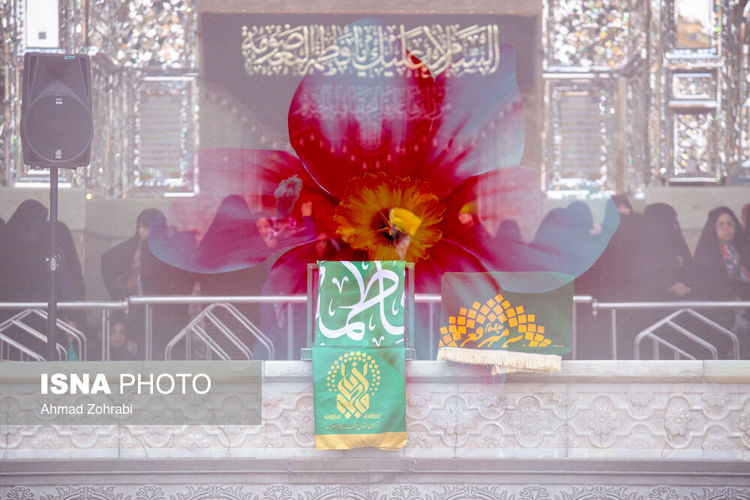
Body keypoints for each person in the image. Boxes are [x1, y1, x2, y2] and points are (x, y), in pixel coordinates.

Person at [691, 206, 750, 358]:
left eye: (730, 224)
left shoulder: (740, 251)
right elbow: (706, 285)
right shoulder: (706, 253)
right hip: (718, 315)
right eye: (720, 224)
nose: (726, 228)